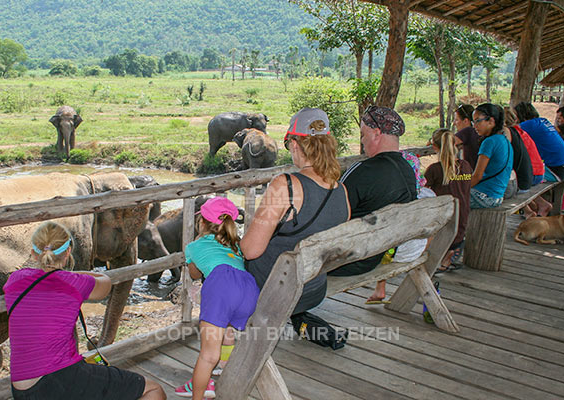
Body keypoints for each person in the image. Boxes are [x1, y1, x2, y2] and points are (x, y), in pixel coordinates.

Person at [4, 221, 165, 400]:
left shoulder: (15, 280)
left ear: (34, 253)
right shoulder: (74, 282)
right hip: (61, 379)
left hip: (21, 388)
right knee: (153, 391)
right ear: (67, 253)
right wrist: (76, 274)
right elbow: (105, 283)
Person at [241, 108, 350, 316]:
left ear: (294, 144)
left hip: (276, 288)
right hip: (314, 288)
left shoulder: (286, 185)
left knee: (214, 261)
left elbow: (250, 250)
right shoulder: (341, 190)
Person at [327, 106, 419, 304]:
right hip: (381, 254)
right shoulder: (407, 169)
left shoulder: (363, 170)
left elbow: (331, 215)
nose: (361, 140)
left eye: (363, 134)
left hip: (350, 262)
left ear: (376, 134)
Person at [175, 197, 260, 399]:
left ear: (202, 223)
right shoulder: (235, 245)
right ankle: (222, 370)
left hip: (222, 285)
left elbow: (194, 274)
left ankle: (199, 393)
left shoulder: (195, 246)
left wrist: (193, 263)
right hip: (249, 288)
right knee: (227, 328)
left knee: (208, 355)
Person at [425, 128, 472, 273]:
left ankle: (439, 256)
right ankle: (449, 254)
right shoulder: (466, 166)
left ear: (434, 147)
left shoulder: (434, 169)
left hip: (444, 222)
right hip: (462, 218)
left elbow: (424, 192)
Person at [514, 102, 564, 215]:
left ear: (521, 116)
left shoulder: (527, 125)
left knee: (514, 179)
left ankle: (536, 207)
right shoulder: (543, 121)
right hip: (562, 167)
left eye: (515, 116)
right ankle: (533, 208)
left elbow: (510, 133)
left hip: (555, 170)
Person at [470, 104, 513, 209]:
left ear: (491, 121)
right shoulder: (504, 140)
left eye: (477, 121)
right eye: (473, 122)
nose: (474, 126)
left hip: (485, 196)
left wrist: (461, 187)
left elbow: (477, 176)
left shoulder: (489, 142)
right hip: (497, 196)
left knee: (447, 197)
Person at [502, 108, 533, 195]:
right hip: (529, 178)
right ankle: (530, 208)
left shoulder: (506, 133)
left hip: (520, 183)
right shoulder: (517, 131)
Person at [453, 104, 480, 169]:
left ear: (466, 121)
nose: (454, 123)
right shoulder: (477, 132)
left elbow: (447, 140)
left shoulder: (468, 131)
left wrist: (432, 140)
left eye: (456, 120)